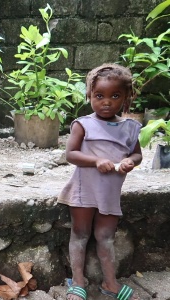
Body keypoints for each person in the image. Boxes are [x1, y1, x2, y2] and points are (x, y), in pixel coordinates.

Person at [58, 63, 142, 300]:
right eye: (99, 96)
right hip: (84, 192)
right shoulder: (83, 124)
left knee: (106, 237)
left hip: (109, 194)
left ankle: (111, 283)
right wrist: (96, 161)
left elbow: (138, 154)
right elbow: (71, 154)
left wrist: (130, 161)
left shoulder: (130, 128)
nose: (106, 101)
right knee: (80, 234)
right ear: (89, 95)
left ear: (126, 98)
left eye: (115, 96)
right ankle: (77, 282)